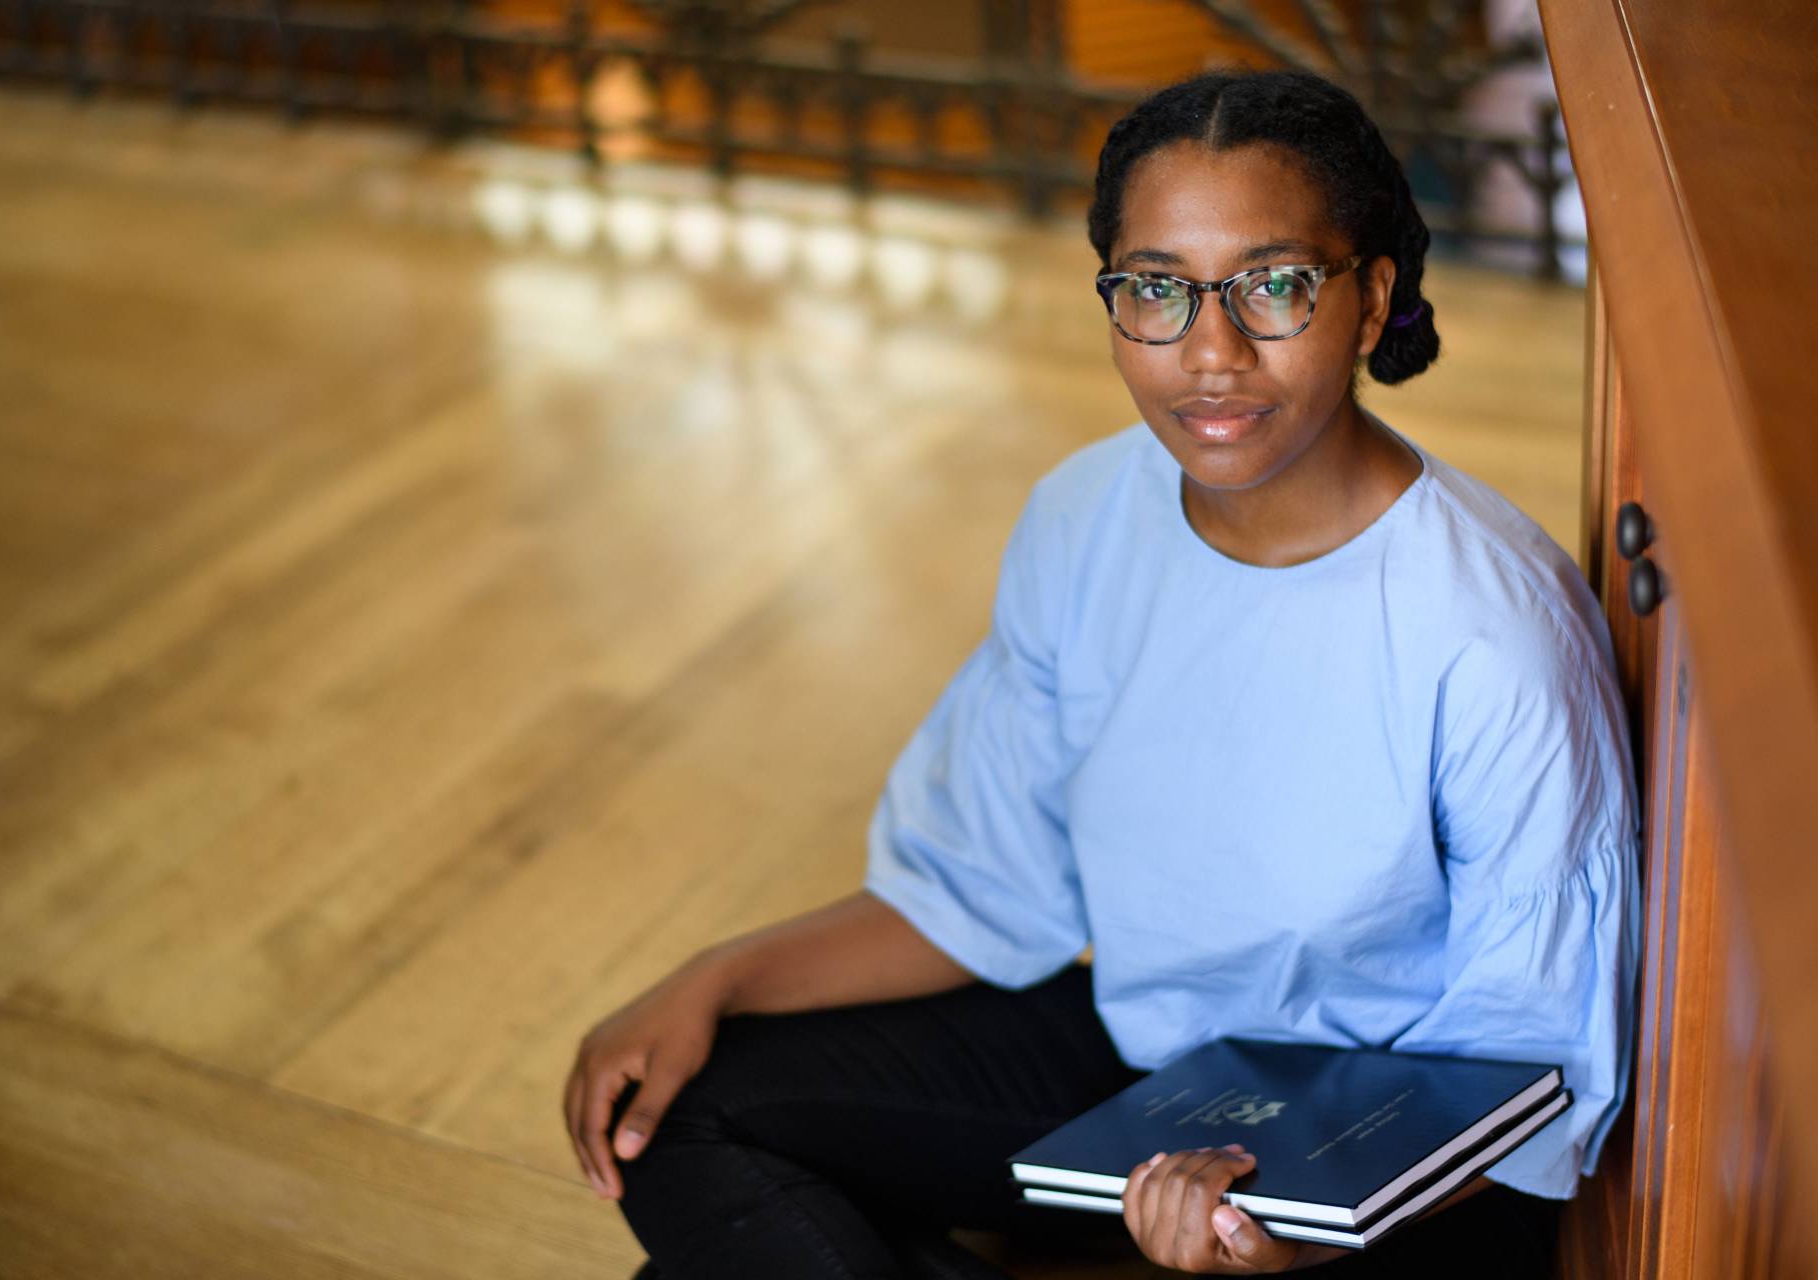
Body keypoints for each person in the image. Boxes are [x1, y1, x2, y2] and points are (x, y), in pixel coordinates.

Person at [563, 67, 1641, 1279]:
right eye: (1158, 290)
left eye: (1275, 286)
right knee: (678, 1112)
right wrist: (713, 978)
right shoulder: (1084, 517)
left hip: (1400, 1158)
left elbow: (1522, 1071)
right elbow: (983, 884)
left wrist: (1283, 1227)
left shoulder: (1494, 627)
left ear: (1371, 293)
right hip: (1158, 1076)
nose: (1212, 353)